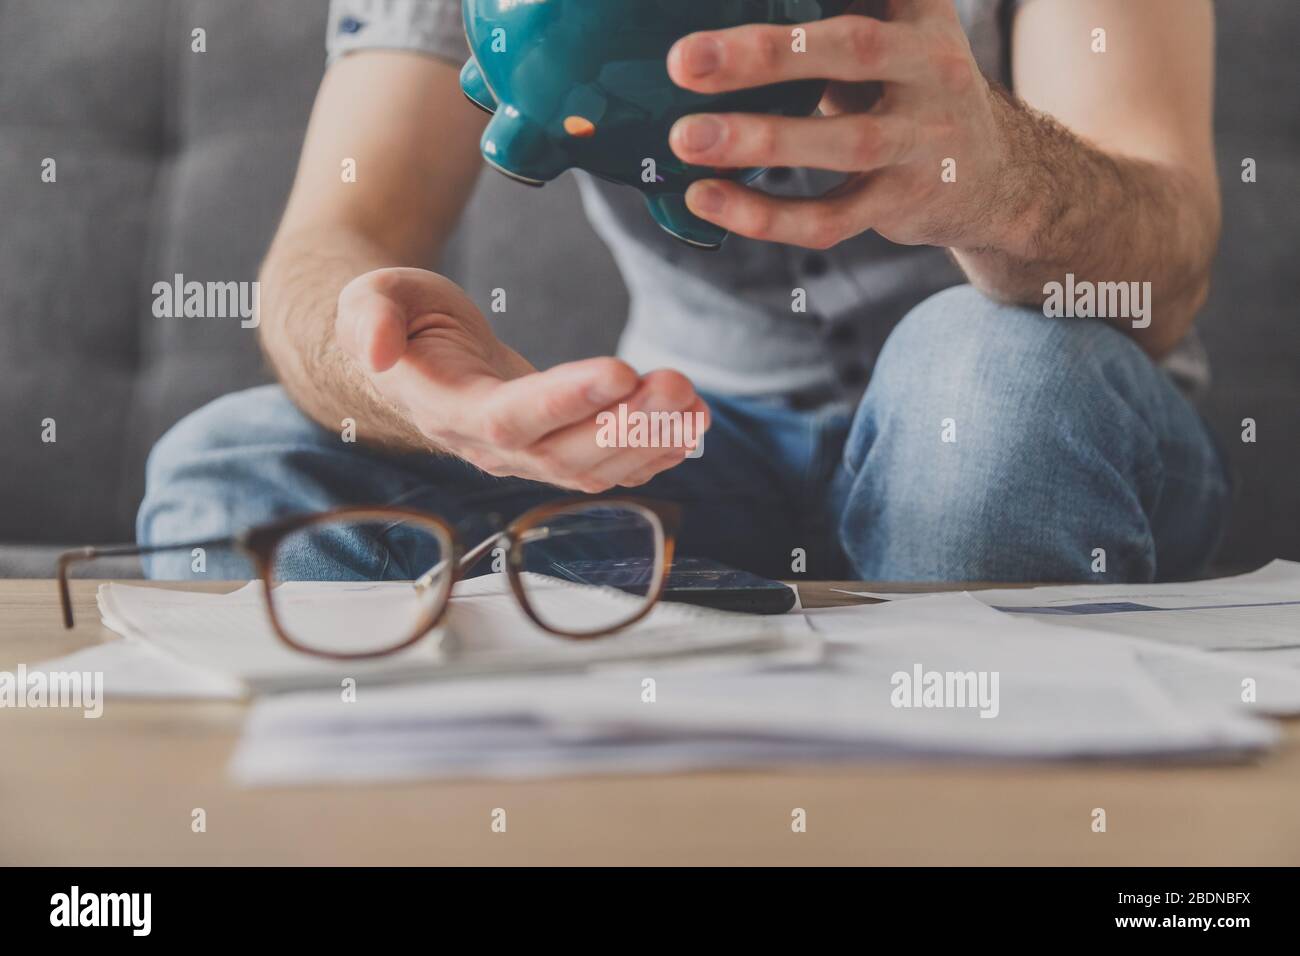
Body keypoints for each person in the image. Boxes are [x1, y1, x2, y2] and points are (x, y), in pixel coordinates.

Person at [138, 0, 1228, 583]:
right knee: (234, 469)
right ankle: (687, 660)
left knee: (986, 391)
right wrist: (405, 381)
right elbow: (329, 247)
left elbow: (1168, 274)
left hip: (1025, 419)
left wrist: (1001, 190)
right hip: (700, 446)